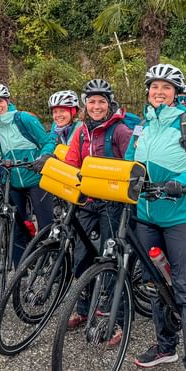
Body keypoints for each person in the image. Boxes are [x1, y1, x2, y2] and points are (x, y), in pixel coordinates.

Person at [126, 64, 186, 371]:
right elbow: (129, 165)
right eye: (155, 87)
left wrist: (184, 181)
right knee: (156, 286)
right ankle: (166, 347)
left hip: (182, 217)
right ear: (148, 91)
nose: (159, 92)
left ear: (176, 93)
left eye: (166, 87)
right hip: (147, 216)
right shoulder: (141, 126)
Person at [63, 79, 134, 340]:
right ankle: (84, 309)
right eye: (91, 101)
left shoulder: (120, 130)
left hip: (113, 204)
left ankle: (118, 320)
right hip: (88, 201)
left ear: (109, 104)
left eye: (101, 102)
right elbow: (72, 161)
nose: (96, 106)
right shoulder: (81, 131)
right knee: (80, 256)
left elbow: (133, 164)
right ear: (85, 105)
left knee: (111, 258)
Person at [0, 83, 56, 262]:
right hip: (13, 181)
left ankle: (54, 265)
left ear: (7, 101)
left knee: (45, 225)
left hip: (36, 178)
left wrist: (43, 157)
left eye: (0, 101)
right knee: (16, 227)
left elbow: (47, 141)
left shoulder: (24, 119)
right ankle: (20, 269)